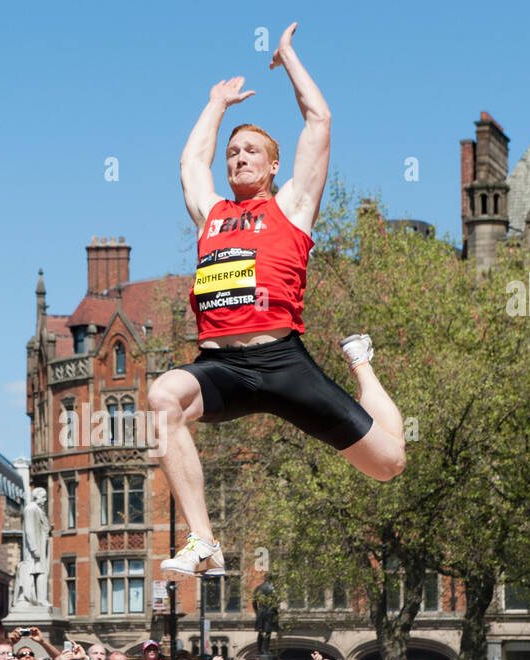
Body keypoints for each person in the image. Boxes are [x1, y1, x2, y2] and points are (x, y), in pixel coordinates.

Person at [152, 25, 406, 580]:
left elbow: (319, 121)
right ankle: (204, 542)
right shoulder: (212, 215)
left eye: (252, 151)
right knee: (162, 397)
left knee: (389, 464)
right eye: (232, 152)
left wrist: (288, 57)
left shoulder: (291, 205)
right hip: (222, 365)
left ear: (273, 166)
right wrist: (216, 104)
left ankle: (362, 364)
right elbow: (189, 163)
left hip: (282, 361)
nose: (239, 158)